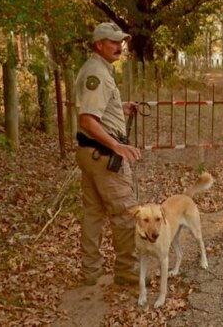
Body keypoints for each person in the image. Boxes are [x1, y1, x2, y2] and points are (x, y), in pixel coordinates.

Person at [74, 22, 141, 286]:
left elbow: (97, 110)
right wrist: (117, 146)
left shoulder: (98, 69)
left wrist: (119, 108)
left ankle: (91, 273)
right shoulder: (97, 73)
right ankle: (126, 271)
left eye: (120, 41)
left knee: (93, 214)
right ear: (98, 44)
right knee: (126, 213)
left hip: (91, 154)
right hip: (104, 157)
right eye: (112, 42)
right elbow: (88, 119)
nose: (119, 46)